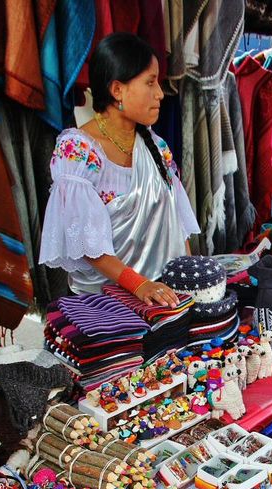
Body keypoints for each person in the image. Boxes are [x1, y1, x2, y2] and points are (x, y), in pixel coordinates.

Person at [39, 33, 199, 307]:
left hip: (163, 302)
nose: (160, 94)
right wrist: (139, 284)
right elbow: (87, 241)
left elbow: (177, 224)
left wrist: (189, 279)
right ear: (117, 91)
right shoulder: (78, 152)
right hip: (106, 309)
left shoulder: (156, 147)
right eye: (150, 83)